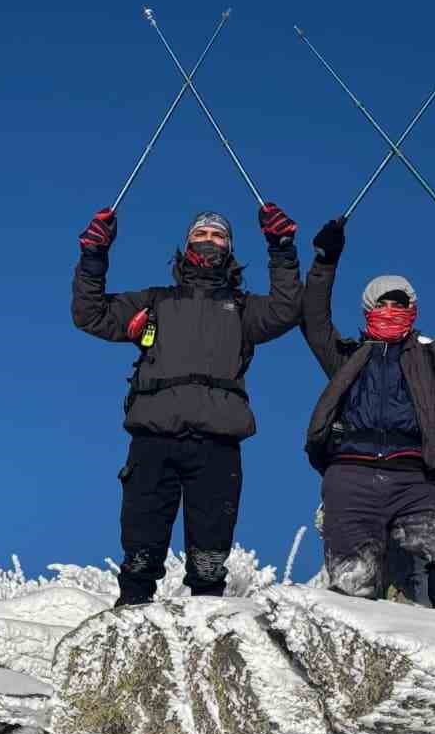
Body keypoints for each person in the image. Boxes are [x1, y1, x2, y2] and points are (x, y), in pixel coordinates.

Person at [73, 203, 302, 606]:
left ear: (229, 249)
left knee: (211, 556)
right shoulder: (155, 302)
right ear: (187, 244)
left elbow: (286, 309)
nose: (209, 241)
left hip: (218, 438)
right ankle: (132, 612)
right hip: (154, 434)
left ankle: (209, 621)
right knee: (141, 545)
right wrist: (94, 255)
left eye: (218, 236)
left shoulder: (244, 309)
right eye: (202, 234)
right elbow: (90, 314)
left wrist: (281, 248)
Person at [300, 213, 435, 610]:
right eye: (383, 304)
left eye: (399, 304)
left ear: (412, 311)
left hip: (413, 481)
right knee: (354, 583)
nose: (391, 310)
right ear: (368, 310)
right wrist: (325, 260)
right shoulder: (346, 358)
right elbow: (315, 320)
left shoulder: (430, 360)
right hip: (351, 477)